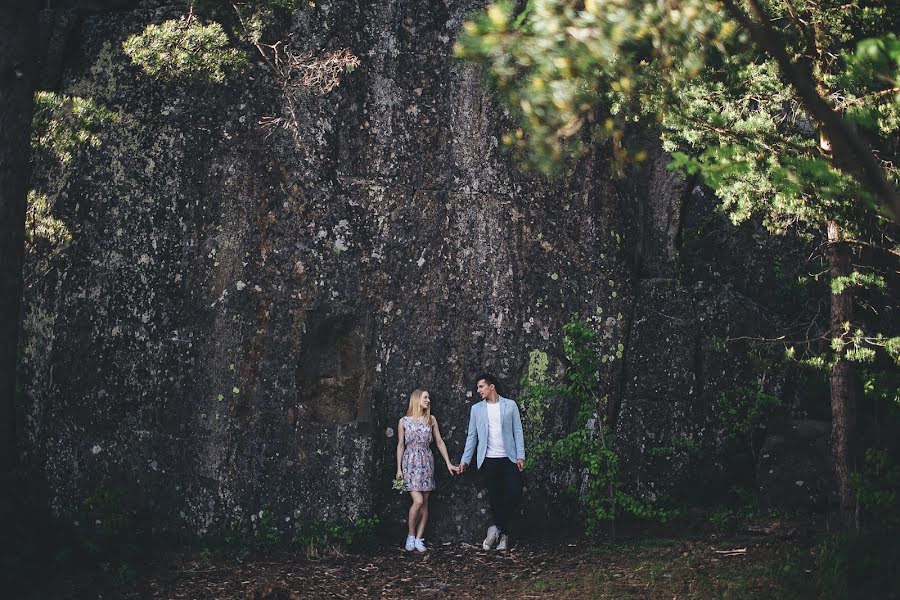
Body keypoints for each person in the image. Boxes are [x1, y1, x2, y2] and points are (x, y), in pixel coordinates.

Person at [458, 373, 525, 550]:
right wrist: (465, 460)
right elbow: (472, 436)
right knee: (496, 499)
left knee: (514, 493)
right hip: (489, 460)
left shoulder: (510, 405)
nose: (478, 390)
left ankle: (495, 528)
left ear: (491, 386)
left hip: (509, 458)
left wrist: (520, 455)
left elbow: (517, 431)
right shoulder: (477, 409)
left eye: (481, 386)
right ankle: (503, 537)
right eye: (478, 387)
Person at [396, 388, 459, 552]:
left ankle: (419, 538)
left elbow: (439, 442)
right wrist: (398, 469)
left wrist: (448, 463)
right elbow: (400, 445)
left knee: (425, 504)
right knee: (418, 501)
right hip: (410, 462)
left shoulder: (431, 419)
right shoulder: (404, 421)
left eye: (429, 398)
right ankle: (410, 535)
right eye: (425, 397)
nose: (428, 400)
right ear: (416, 399)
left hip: (426, 461)